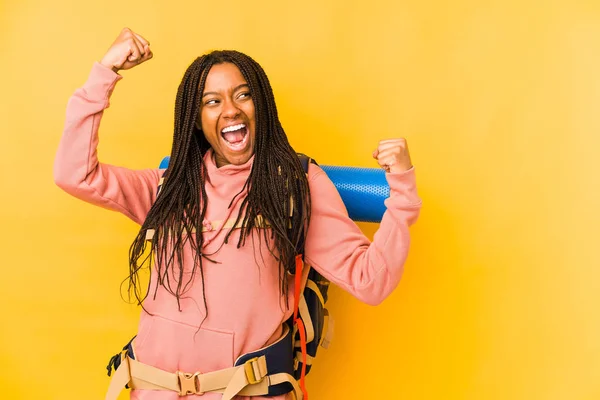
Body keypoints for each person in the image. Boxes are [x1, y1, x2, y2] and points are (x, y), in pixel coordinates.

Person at [54, 28, 422, 400]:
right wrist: (104, 72)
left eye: (243, 95)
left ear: (261, 104)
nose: (230, 109)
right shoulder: (168, 187)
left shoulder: (296, 185)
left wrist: (402, 191)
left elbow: (370, 281)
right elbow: (74, 174)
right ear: (195, 120)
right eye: (211, 101)